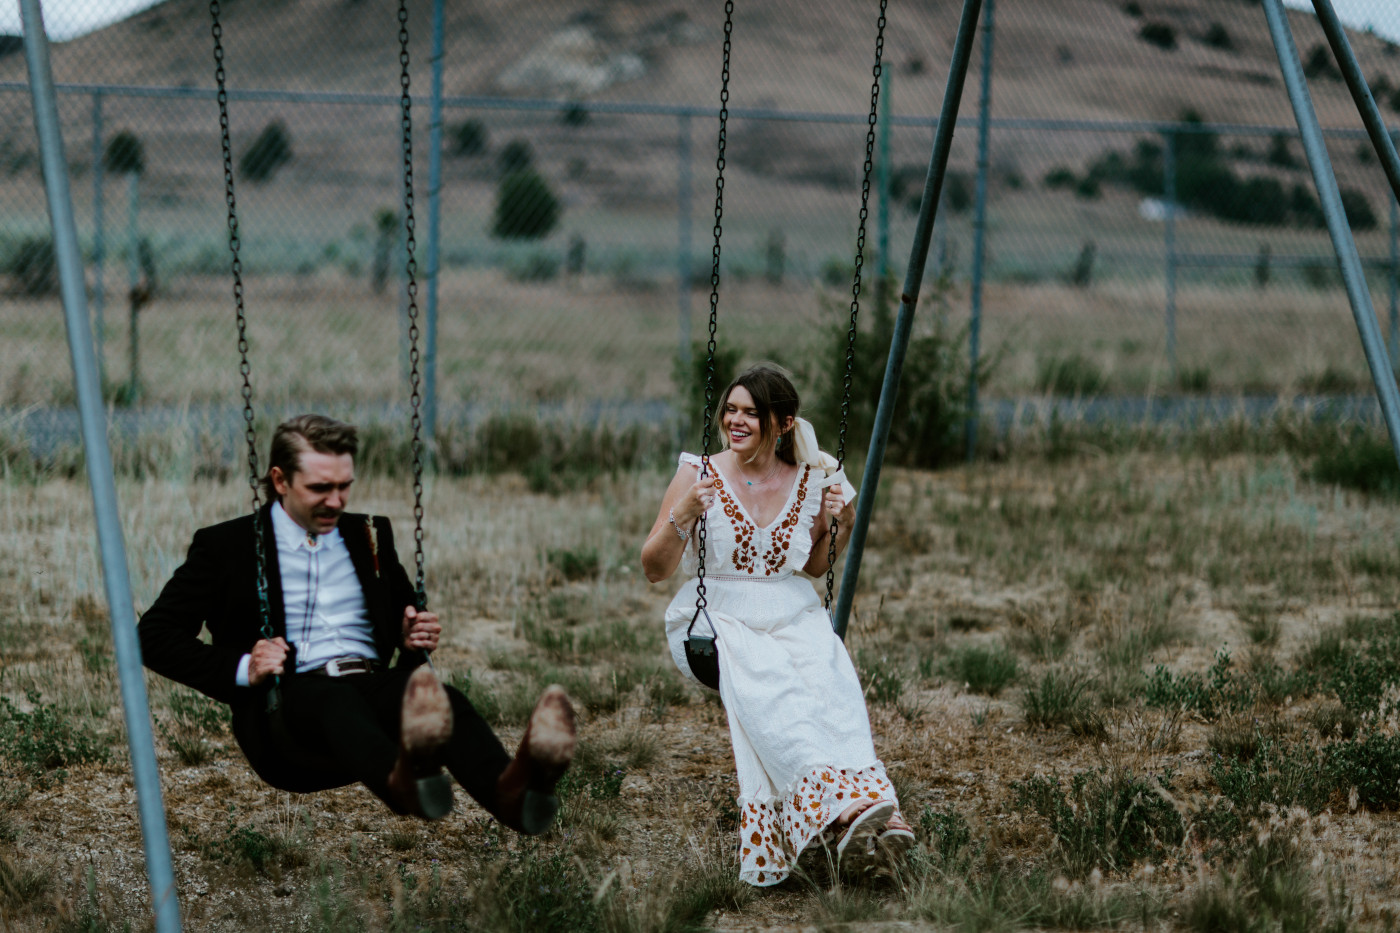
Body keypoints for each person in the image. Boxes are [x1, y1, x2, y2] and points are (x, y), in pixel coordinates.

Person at [139, 413, 575, 830]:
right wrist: (242, 668)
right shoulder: (227, 547)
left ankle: (514, 793)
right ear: (280, 481)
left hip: (367, 688)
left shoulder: (369, 534)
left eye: (344, 486)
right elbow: (153, 636)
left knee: (442, 700)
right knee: (331, 699)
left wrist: (412, 638)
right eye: (320, 488)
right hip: (286, 714)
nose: (336, 501)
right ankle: (405, 781)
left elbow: (405, 618)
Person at [642, 363, 914, 886]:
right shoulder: (697, 472)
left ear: (783, 422)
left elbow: (814, 567)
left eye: (751, 413)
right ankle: (837, 814)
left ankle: (873, 802)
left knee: (831, 681)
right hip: (718, 615)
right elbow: (654, 568)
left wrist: (845, 524)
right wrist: (684, 511)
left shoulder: (816, 475)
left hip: (792, 609)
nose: (735, 422)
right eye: (731, 410)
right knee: (777, 689)